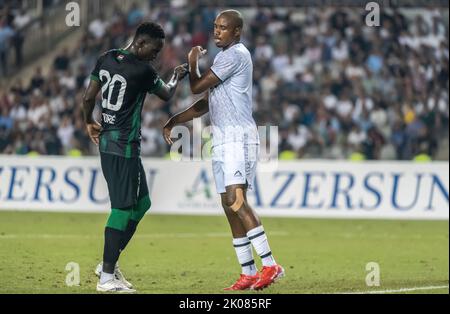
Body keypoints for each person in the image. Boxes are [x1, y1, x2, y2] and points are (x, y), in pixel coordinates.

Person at [163, 10, 284, 291]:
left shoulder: (235, 55)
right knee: (228, 206)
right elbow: (205, 102)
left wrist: (192, 62)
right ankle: (248, 272)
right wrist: (174, 120)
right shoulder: (224, 58)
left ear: (237, 31)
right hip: (221, 139)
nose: (217, 32)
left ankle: (270, 265)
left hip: (237, 138)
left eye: (223, 28)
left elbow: (195, 86)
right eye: (215, 27)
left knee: (236, 200)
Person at [82, 22, 188, 293]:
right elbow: (166, 93)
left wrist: (88, 122)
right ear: (141, 43)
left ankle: (110, 262)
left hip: (111, 141)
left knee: (142, 203)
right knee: (121, 208)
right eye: (155, 50)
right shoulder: (142, 70)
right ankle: (106, 277)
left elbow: (87, 98)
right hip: (123, 146)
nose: (156, 56)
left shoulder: (106, 58)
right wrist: (176, 74)